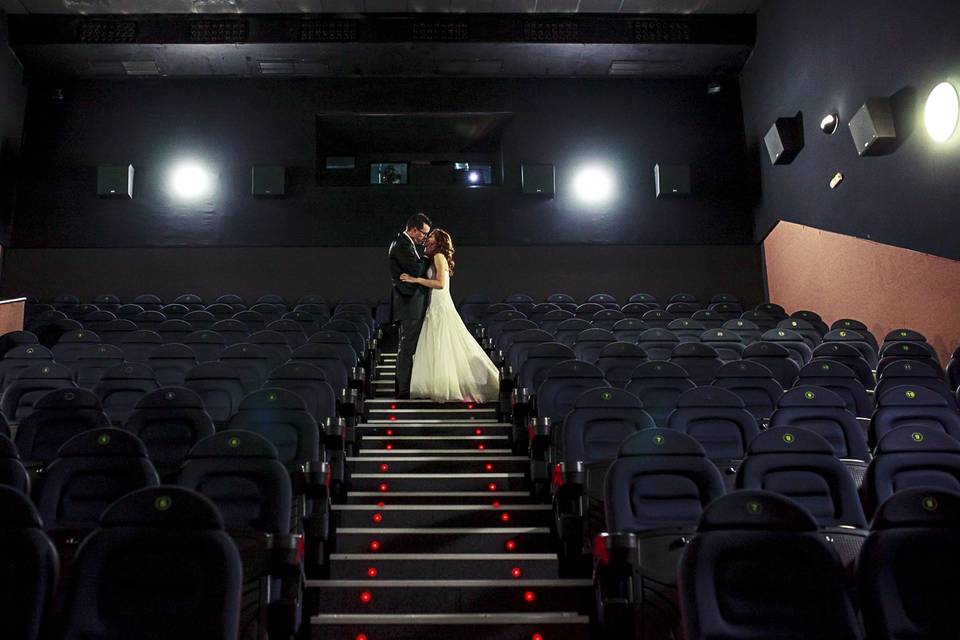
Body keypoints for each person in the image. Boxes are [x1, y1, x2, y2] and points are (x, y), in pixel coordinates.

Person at [401, 229, 500, 403]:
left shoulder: (439, 256)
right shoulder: (434, 257)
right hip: (434, 305)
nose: (427, 238)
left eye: (431, 236)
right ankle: (436, 384)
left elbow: (440, 284)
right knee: (437, 344)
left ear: (439, 241)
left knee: (444, 343)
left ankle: (447, 385)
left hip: (440, 304)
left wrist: (416, 280)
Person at [388, 212, 432, 399]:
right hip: (409, 304)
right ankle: (403, 389)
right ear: (414, 230)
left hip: (411, 303)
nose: (424, 238)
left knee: (407, 347)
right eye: (423, 233)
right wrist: (427, 258)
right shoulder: (402, 244)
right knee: (407, 348)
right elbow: (415, 269)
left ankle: (405, 386)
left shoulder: (405, 243)